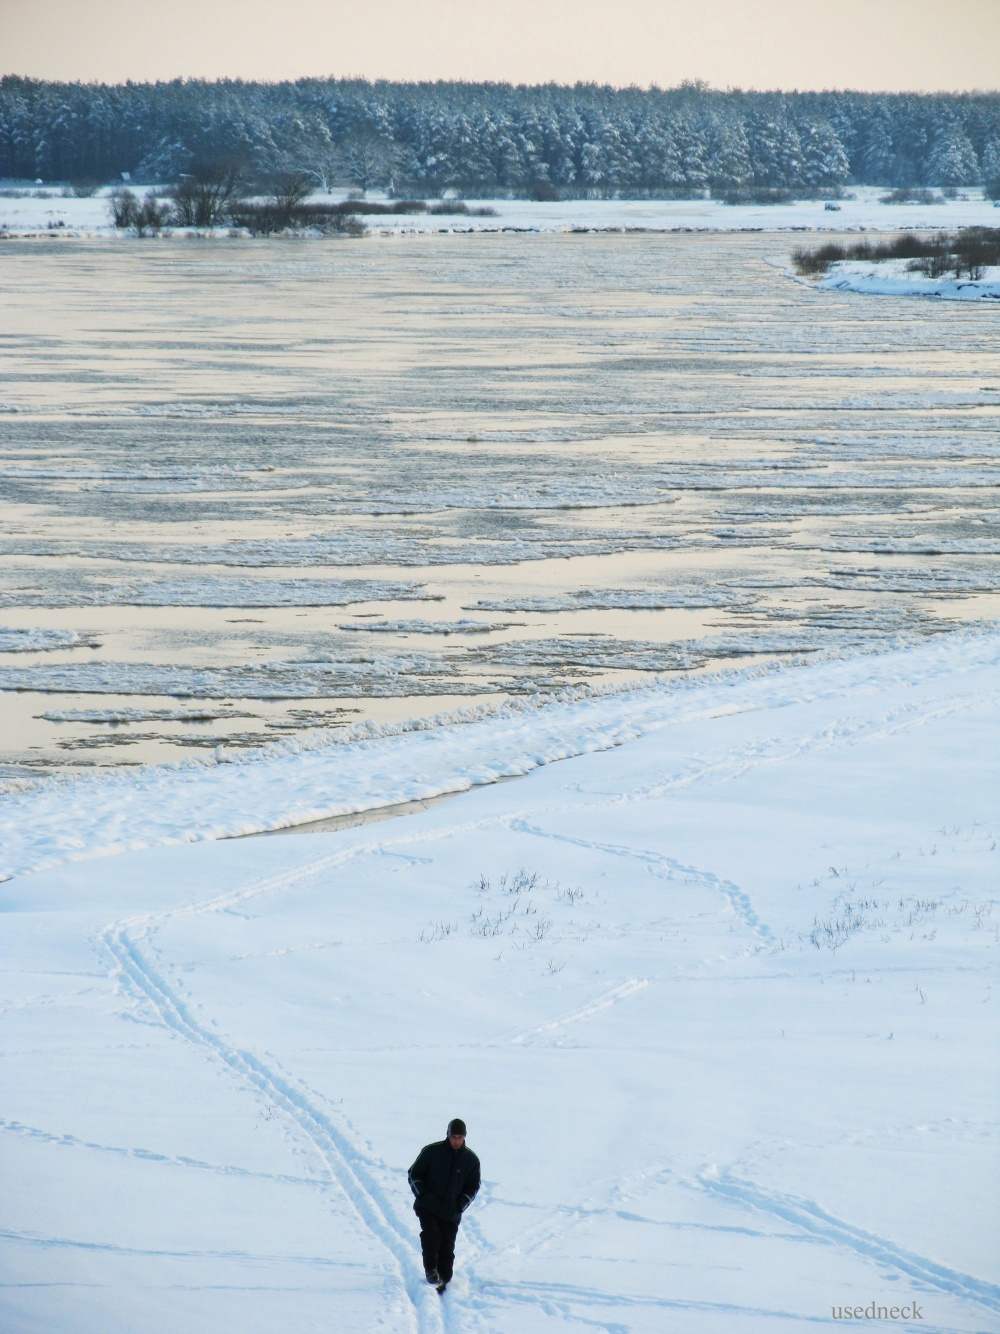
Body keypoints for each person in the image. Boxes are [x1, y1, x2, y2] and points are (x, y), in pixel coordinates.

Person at [408, 1118, 481, 1293]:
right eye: (453, 1136)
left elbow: (473, 1186)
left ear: (465, 1137)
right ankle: (430, 1271)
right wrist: (423, 1195)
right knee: (432, 1235)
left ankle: (443, 1278)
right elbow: (414, 1174)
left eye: (460, 1137)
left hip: (451, 1212)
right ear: (447, 1135)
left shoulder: (471, 1160)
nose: (456, 1141)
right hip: (428, 1207)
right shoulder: (431, 1152)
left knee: (447, 1251)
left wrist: (460, 1205)